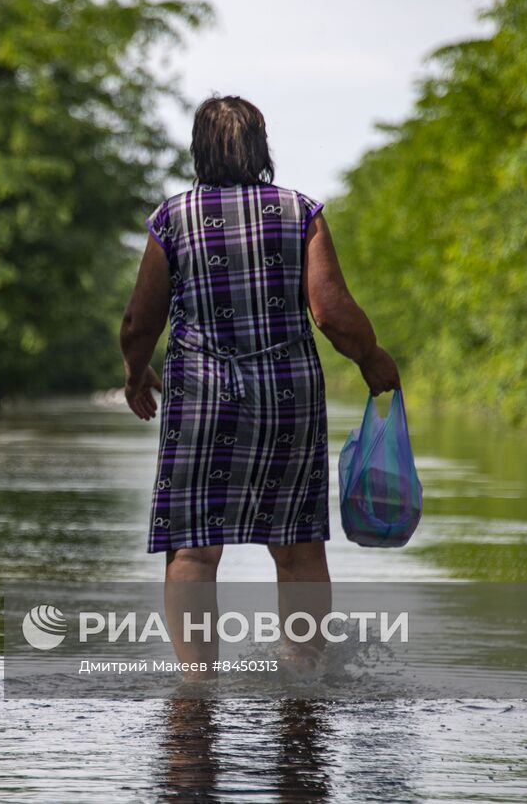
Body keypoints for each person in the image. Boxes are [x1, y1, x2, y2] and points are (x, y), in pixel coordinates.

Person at [119, 95, 399, 670]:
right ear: (261, 148)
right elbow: (331, 312)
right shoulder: (300, 212)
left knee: (194, 550)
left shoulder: (172, 219)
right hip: (286, 397)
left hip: (199, 398)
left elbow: (138, 322)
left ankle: (197, 688)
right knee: (297, 547)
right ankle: (302, 682)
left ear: (198, 149)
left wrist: (134, 373)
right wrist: (371, 358)